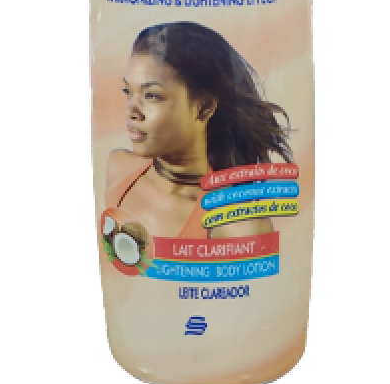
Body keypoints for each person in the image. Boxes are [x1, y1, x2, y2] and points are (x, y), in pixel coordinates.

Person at [105, 21, 293, 240]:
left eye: (151, 95)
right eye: (128, 91)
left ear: (204, 107)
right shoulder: (119, 167)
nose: (131, 111)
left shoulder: (236, 224)